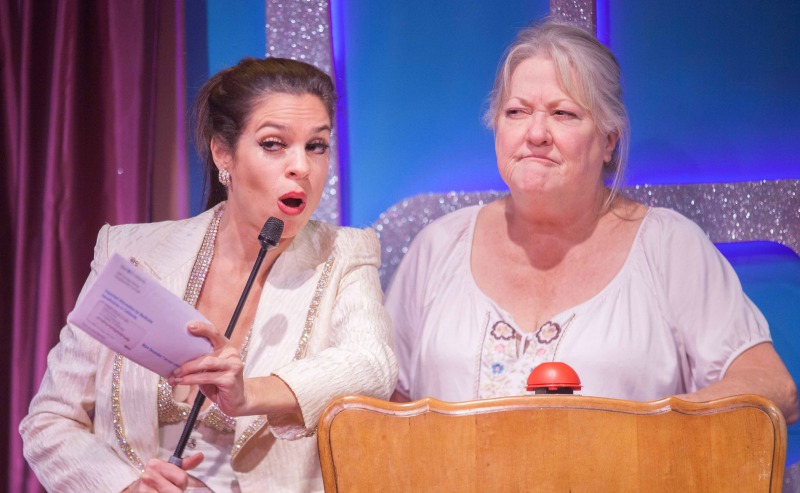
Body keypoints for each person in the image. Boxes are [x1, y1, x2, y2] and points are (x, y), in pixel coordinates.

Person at [384, 19, 798, 424]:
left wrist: (645, 434)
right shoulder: (439, 246)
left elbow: (773, 388)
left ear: (608, 139)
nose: (536, 133)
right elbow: (388, 408)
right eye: (516, 111)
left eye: (563, 113)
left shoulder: (669, 247)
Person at [20, 57, 397, 492]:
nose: (302, 167)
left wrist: (248, 395)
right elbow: (51, 419)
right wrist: (127, 487)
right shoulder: (128, 252)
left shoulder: (345, 253)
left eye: (317, 146)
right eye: (274, 144)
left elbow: (372, 364)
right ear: (223, 152)